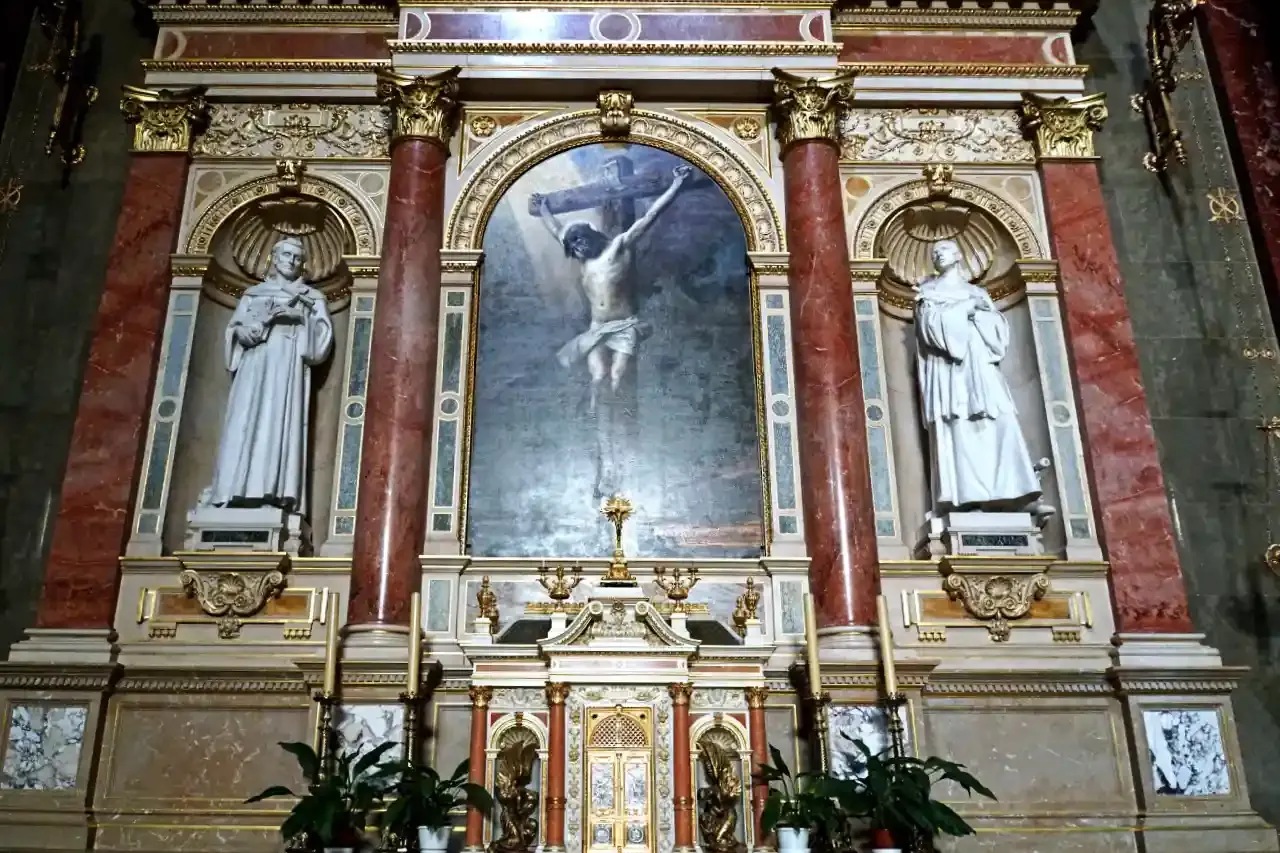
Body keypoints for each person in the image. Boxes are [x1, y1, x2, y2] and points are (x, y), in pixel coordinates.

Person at [202, 236, 333, 511]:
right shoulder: (254, 294)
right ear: (274, 258)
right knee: (245, 420)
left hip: (287, 367)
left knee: (277, 423)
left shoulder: (312, 298)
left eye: (297, 258)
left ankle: (272, 492)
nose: (292, 262)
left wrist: (300, 318)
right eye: (286, 255)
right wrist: (246, 331)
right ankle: (231, 489)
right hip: (255, 364)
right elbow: (235, 330)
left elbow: (321, 339)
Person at [915, 239, 1040, 515]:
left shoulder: (977, 293)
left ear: (959, 254)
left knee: (1000, 419)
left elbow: (998, 334)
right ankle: (966, 496)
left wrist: (978, 314)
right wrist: (963, 312)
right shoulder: (928, 292)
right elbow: (929, 329)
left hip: (980, 366)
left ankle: (1011, 491)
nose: (938, 254)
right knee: (958, 425)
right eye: (934, 252)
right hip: (948, 372)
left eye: (944, 249)